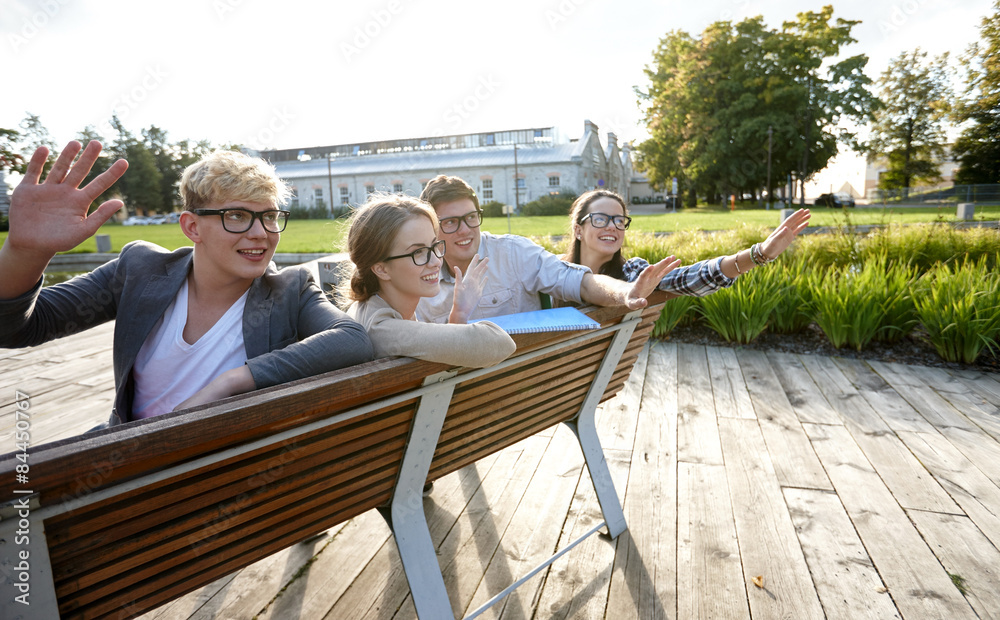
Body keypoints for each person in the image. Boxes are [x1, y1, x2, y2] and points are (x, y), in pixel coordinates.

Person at [0, 141, 373, 425]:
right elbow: (18, 329)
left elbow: (353, 340)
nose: (261, 233)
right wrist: (24, 252)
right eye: (237, 216)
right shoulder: (140, 269)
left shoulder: (289, 290)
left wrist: (233, 381)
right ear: (192, 226)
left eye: (270, 217)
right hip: (126, 459)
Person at [414, 175, 681, 323]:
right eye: (450, 222)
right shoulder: (418, 277)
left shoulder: (514, 253)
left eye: (471, 217)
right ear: (432, 227)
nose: (465, 230)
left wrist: (627, 291)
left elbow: (582, 282)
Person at [344, 193, 516, 368]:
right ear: (381, 269)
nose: (435, 262)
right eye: (417, 252)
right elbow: (500, 344)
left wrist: (459, 313)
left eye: (434, 246)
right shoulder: (382, 330)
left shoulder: (376, 310)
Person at [563, 189, 810, 294]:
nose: (611, 226)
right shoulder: (552, 271)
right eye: (600, 219)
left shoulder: (634, 273)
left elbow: (693, 276)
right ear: (578, 230)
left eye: (619, 220)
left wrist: (759, 254)